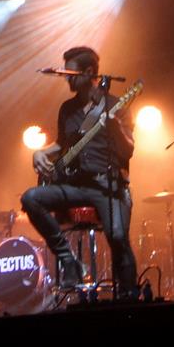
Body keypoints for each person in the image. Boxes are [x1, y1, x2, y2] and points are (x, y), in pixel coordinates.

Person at [20, 46, 139, 298]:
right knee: (31, 198)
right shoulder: (67, 109)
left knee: (118, 236)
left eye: (71, 74)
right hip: (76, 186)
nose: (67, 79)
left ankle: (130, 295)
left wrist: (115, 127)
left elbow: (128, 151)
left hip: (108, 186)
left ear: (88, 72)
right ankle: (68, 260)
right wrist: (40, 153)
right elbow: (62, 144)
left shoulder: (115, 105)